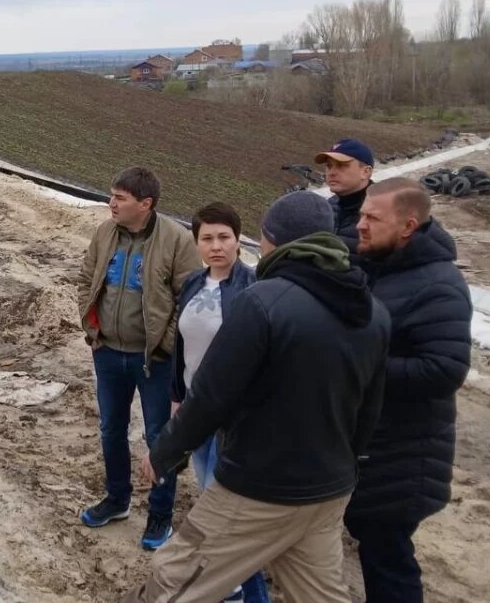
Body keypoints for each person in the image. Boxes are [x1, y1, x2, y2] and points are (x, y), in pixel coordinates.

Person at [125, 191, 390, 603]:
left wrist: (165, 452)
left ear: (271, 240)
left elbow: (212, 395)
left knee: (172, 578)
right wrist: (344, 466)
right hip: (329, 490)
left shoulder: (261, 302)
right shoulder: (373, 311)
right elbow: (370, 408)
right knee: (320, 594)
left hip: (258, 489)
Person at [345, 178, 471, 603]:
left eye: (371, 218)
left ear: (407, 227)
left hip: (404, 455)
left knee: (389, 561)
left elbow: (444, 369)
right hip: (372, 448)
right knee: (375, 549)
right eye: (361, 214)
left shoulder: (439, 284)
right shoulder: (372, 266)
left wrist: (361, 365)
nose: (359, 225)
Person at [77, 167, 202, 550]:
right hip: (108, 352)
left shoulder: (177, 241)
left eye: (120, 197)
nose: (110, 203)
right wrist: (92, 327)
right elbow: (86, 279)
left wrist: (164, 343)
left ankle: (160, 517)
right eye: (111, 195)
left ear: (145, 204)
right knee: (111, 429)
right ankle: (117, 500)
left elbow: (190, 296)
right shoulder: (105, 233)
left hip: (156, 361)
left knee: (159, 438)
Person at [170, 202, 269, 603]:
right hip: (197, 408)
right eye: (207, 238)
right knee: (209, 495)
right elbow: (181, 344)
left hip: (234, 415)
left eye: (223, 237)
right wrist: (178, 396)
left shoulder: (253, 287)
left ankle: (234, 589)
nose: (216, 246)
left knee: (221, 503)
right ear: (196, 243)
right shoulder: (194, 283)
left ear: (237, 239)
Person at [314, 138, 374, 252]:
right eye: (329, 166)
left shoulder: (382, 213)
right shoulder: (325, 208)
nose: (332, 172)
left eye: (341, 165)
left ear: (365, 172)